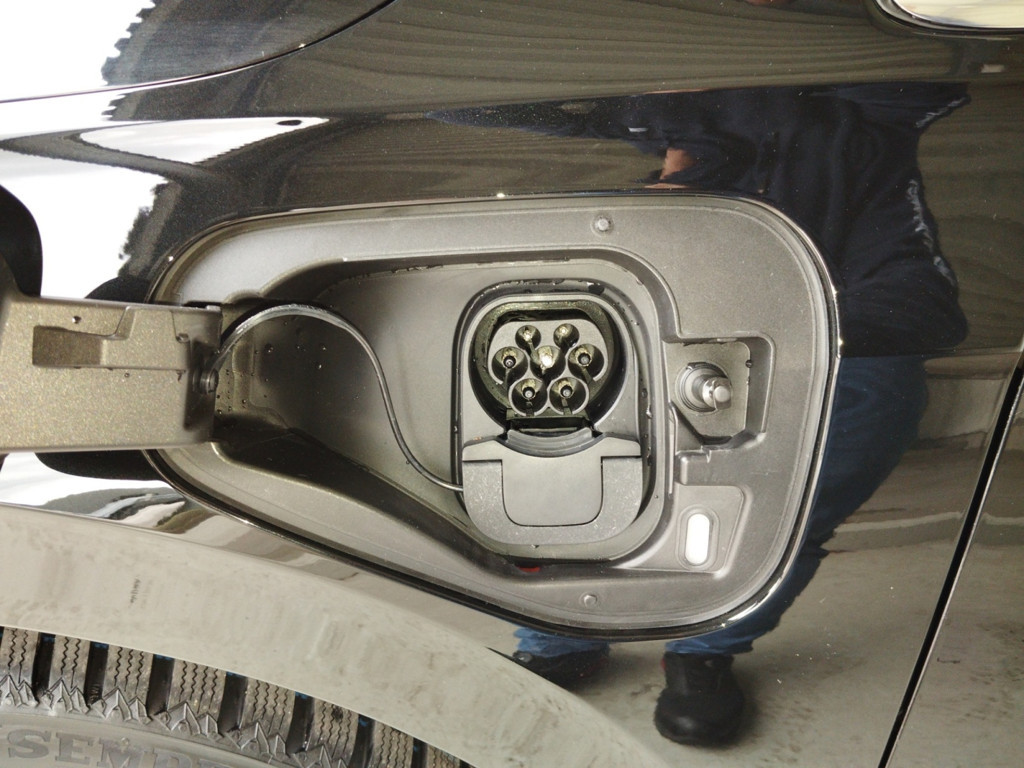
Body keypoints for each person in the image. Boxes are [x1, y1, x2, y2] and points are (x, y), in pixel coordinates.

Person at [436, 82, 969, 745]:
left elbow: (919, 304)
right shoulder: (609, 110)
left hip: (805, 339)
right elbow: (462, 102)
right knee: (544, 433)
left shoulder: (854, 133)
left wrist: (774, 334)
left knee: (872, 403)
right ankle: (559, 634)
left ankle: (706, 643)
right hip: (625, 321)